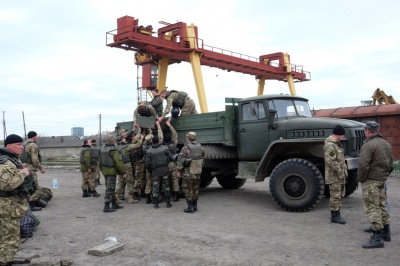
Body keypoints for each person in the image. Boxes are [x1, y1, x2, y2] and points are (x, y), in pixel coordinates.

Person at [358, 121, 393, 249]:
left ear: (367, 131)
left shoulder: (368, 145)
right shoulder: (386, 144)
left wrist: (361, 179)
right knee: (382, 205)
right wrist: (384, 176)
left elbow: (363, 165)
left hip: (371, 180)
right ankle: (386, 232)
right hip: (382, 180)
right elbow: (390, 164)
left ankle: (377, 237)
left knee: (372, 208)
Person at [0, 134, 34, 265]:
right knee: (10, 240)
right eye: (18, 145)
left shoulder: (10, 159)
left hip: (8, 207)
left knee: (5, 238)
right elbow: (7, 185)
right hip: (7, 208)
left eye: (22, 144)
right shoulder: (6, 163)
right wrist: (23, 173)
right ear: (8, 146)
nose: (22, 147)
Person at [323, 125, 347, 224]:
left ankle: (337, 213)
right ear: (339, 134)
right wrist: (340, 172)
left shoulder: (335, 144)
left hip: (339, 175)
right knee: (335, 195)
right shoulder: (330, 145)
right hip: (334, 175)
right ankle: (334, 216)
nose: (343, 137)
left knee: (339, 195)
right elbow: (331, 161)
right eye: (342, 135)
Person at [176, 131, 205, 213]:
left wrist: (178, 171)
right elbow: (203, 160)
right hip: (197, 172)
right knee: (195, 188)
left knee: (187, 189)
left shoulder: (185, 148)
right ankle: (195, 206)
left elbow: (180, 161)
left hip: (188, 173)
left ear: (188, 138)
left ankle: (190, 207)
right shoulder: (201, 147)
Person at [145, 136, 174, 209]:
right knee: (166, 187)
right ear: (158, 141)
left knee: (155, 188)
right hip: (165, 170)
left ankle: (156, 204)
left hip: (155, 171)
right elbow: (171, 158)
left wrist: (150, 170)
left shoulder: (149, 151)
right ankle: (168, 203)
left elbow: (147, 164)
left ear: (152, 142)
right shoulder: (165, 148)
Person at [100, 135, 126, 212]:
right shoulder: (113, 150)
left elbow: (100, 162)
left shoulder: (103, 149)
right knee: (110, 188)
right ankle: (106, 206)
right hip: (111, 171)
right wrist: (123, 172)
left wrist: (102, 170)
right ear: (112, 141)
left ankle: (114, 203)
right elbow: (118, 162)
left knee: (110, 188)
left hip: (105, 171)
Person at [20, 131, 46, 211]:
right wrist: (41, 168)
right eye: (36, 136)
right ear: (34, 136)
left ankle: (27, 204)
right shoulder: (33, 145)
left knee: (26, 187)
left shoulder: (24, 145)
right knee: (35, 187)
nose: (37, 137)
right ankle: (31, 205)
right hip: (30, 168)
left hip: (22, 168)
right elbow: (35, 159)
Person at [157, 118, 180, 201]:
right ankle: (176, 195)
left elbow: (160, 138)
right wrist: (169, 125)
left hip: (165, 165)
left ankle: (165, 195)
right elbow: (175, 135)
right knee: (175, 180)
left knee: (165, 181)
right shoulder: (173, 145)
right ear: (170, 139)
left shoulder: (162, 147)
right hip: (173, 164)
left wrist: (158, 126)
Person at [122, 130, 145, 204]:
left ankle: (135, 192)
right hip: (137, 162)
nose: (135, 137)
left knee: (137, 178)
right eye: (133, 136)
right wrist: (141, 138)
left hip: (135, 163)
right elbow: (137, 144)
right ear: (131, 138)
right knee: (137, 178)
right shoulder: (131, 145)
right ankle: (134, 192)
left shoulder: (129, 144)